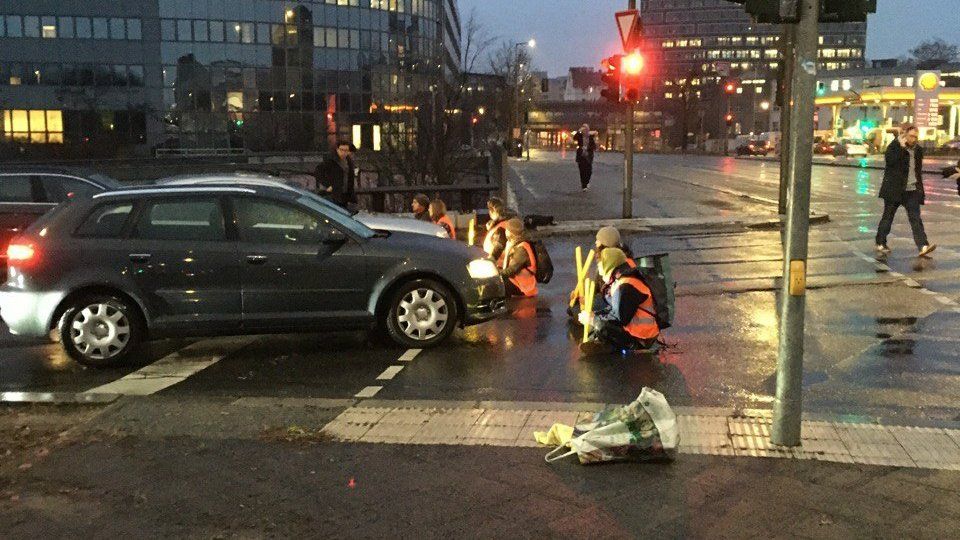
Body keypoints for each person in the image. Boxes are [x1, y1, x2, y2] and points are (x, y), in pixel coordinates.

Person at [579, 248, 659, 355]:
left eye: (600, 264)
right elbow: (614, 310)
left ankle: (619, 346)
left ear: (608, 264)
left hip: (642, 338)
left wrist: (594, 320)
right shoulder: (621, 280)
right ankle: (603, 342)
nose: (598, 268)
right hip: (642, 333)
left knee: (601, 326)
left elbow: (619, 319)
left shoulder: (624, 286)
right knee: (597, 326)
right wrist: (595, 315)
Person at [876, 125, 936, 257]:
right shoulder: (894, 147)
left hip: (912, 190)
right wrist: (901, 148)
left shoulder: (918, 150)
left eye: (916, 136)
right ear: (904, 135)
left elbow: (917, 171)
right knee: (888, 217)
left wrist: (920, 190)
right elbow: (890, 162)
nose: (914, 139)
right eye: (911, 136)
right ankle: (880, 242)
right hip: (895, 190)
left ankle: (923, 246)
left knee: (915, 218)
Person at [499, 218, 538, 297]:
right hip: (516, 281)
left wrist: (496, 274)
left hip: (523, 287)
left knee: (495, 285)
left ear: (511, 233)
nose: (505, 231)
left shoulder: (521, 249)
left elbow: (512, 270)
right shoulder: (514, 243)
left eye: (507, 229)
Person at [314, 140, 357, 207]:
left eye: (346, 150)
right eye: (341, 150)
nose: (343, 152)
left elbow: (350, 178)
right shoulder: (331, 160)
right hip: (334, 193)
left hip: (345, 194)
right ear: (337, 149)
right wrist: (328, 185)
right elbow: (318, 172)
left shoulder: (349, 161)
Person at [483, 196, 516, 264]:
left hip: (499, 265)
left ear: (491, 211)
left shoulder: (502, 227)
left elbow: (500, 244)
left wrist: (492, 258)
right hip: (499, 264)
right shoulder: (504, 223)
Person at [573, 124, 597, 192]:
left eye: (586, 129)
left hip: (588, 156)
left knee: (589, 171)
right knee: (582, 171)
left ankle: (587, 182)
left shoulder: (590, 137)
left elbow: (594, 147)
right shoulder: (579, 137)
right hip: (581, 156)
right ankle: (584, 185)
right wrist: (579, 131)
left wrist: (588, 148)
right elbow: (574, 137)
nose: (585, 131)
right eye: (583, 129)